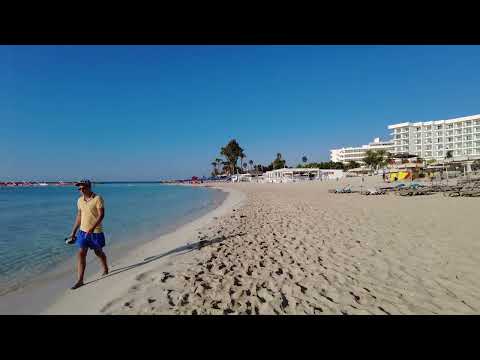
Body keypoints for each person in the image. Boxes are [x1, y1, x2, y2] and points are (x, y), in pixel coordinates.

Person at [67, 179, 109, 290]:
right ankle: (80, 280)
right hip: (82, 232)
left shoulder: (98, 198)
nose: (81, 190)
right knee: (81, 253)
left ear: (89, 187)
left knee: (98, 252)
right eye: (79, 188)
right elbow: (79, 216)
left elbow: (101, 215)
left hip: (96, 232)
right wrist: (73, 232)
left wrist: (92, 228)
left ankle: (105, 267)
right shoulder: (79, 200)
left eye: (83, 188)